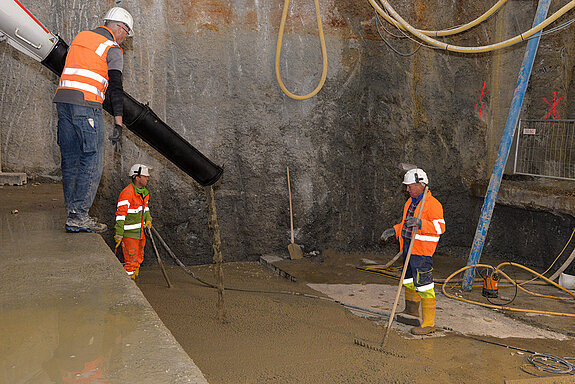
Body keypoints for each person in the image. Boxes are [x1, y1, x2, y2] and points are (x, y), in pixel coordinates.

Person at [54, 7, 134, 233]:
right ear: (119, 27)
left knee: (70, 159)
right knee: (93, 159)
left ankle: (73, 213)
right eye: (126, 33)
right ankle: (79, 216)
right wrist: (118, 122)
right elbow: (116, 90)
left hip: (63, 101)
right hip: (86, 106)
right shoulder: (113, 49)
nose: (125, 38)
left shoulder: (81, 36)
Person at [380, 168, 445, 335]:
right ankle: (411, 311)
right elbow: (406, 224)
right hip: (408, 247)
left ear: (420, 185)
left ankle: (429, 324)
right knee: (408, 280)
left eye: (409, 186)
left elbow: (440, 227)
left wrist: (421, 223)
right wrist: (394, 230)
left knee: (424, 286)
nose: (407, 189)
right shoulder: (410, 202)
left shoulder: (433, 205)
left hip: (422, 252)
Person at [114, 164, 152, 280]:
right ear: (137, 177)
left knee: (138, 258)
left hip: (140, 233)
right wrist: (119, 233)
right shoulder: (127, 193)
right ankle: (129, 287)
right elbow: (120, 215)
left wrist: (148, 219)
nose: (147, 178)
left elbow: (145, 209)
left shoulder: (144, 193)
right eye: (145, 176)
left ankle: (134, 280)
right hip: (130, 235)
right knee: (130, 262)